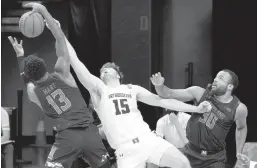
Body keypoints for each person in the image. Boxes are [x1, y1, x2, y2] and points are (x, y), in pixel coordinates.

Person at [61, 28, 213, 168]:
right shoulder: (100, 90)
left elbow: (163, 101)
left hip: (147, 140)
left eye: (108, 69)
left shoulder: (132, 89)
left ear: (118, 74)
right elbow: (76, 63)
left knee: (183, 164)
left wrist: (196, 108)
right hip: (126, 151)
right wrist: (58, 32)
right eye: (102, 71)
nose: (104, 71)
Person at [9, 3, 111, 168]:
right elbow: (60, 39)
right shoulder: (62, 73)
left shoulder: (34, 92)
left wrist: (20, 56)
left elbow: (26, 81)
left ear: (31, 76)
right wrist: (44, 12)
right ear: (45, 66)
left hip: (67, 137)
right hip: (89, 131)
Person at [150, 71, 249, 168]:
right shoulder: (199, 92)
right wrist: (159, 85)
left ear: (230, 86)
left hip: (214, 159)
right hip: (190, 152)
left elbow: (241, 128)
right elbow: (168, 94)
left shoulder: (239, 108)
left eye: (221, 78)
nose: (215, 80)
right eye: (216, 77)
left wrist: (239, 152)